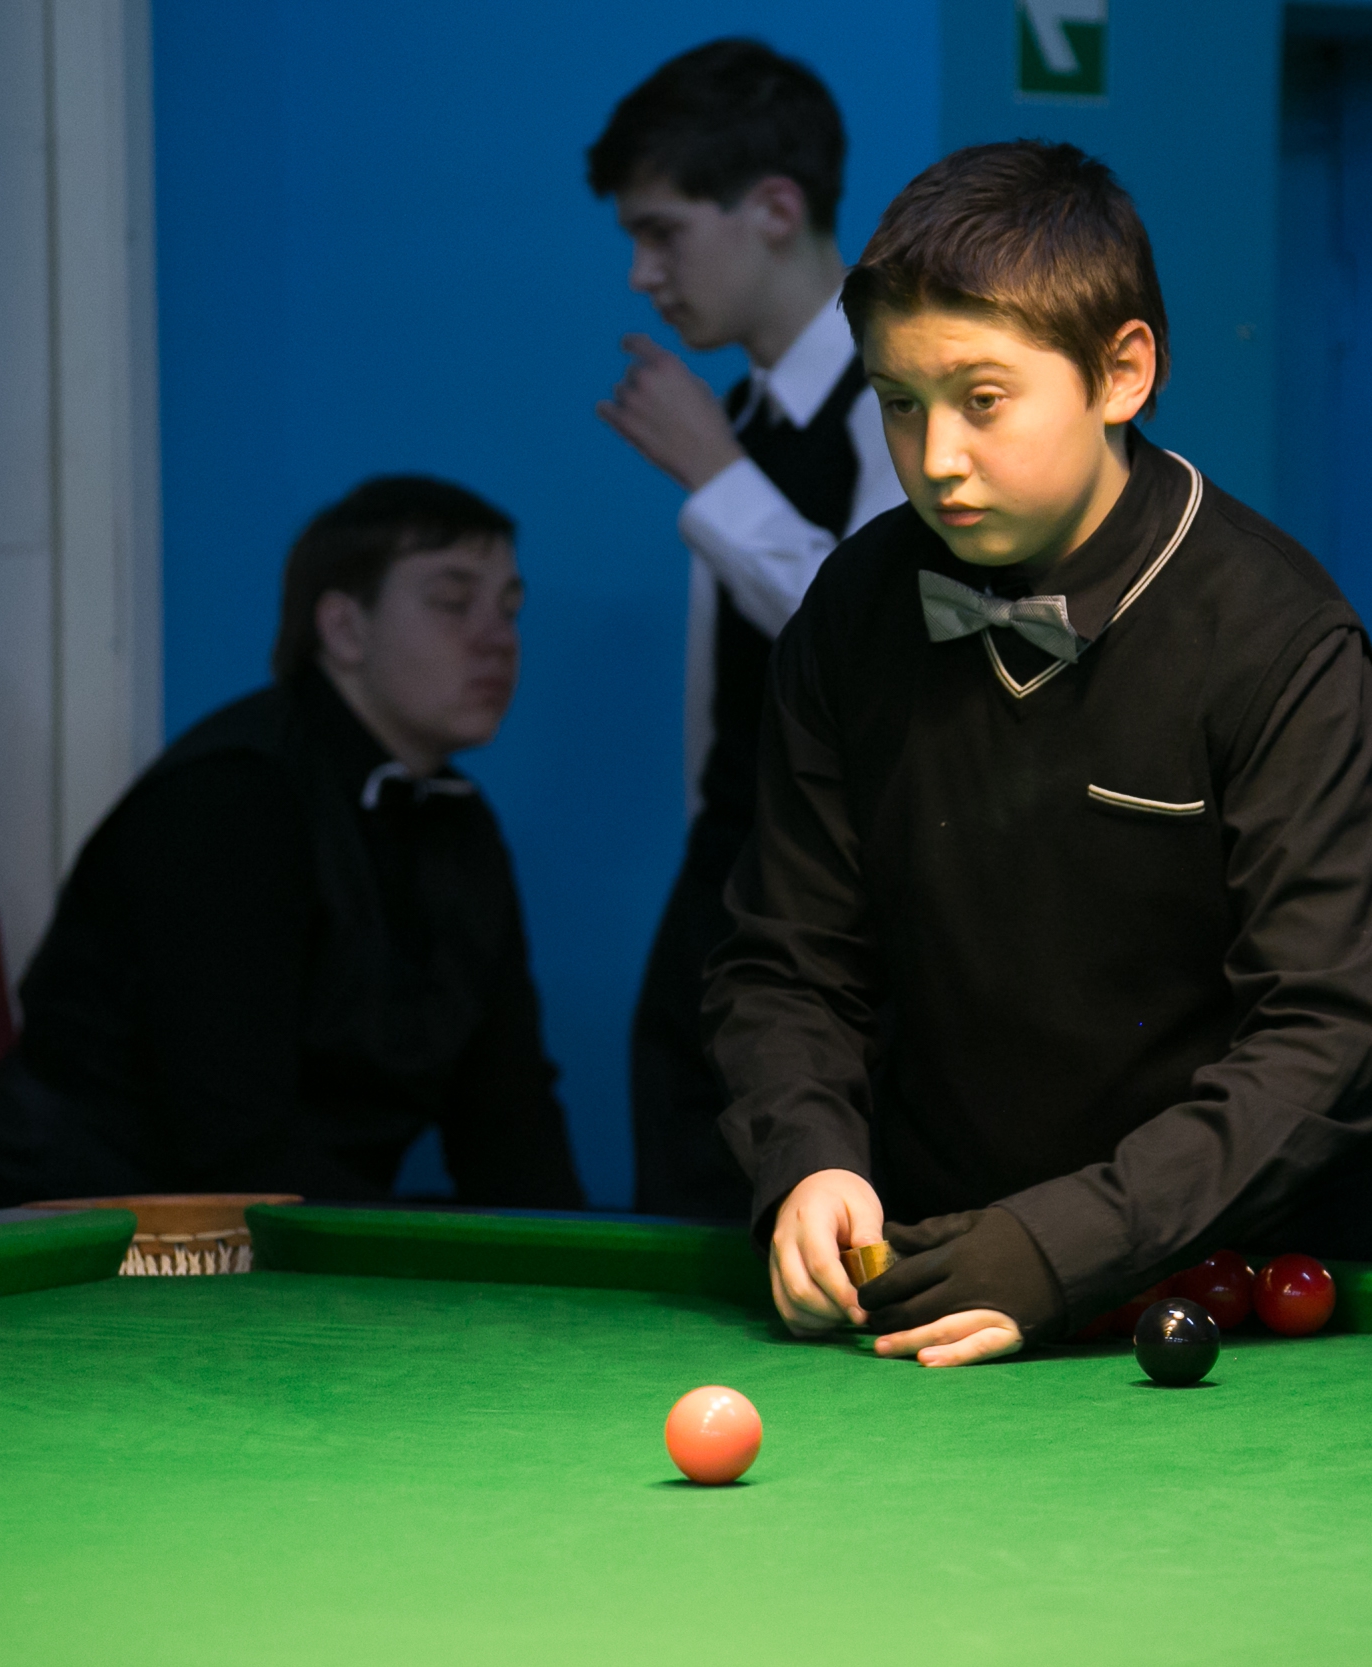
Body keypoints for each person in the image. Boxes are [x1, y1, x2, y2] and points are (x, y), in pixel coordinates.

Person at [704, 142, 1372, 1367]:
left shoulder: (1279, 641)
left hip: (1224, 1302)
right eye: (899, 401)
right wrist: (807, 1157)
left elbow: (1328, 1039)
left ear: (1121, 372)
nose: (934, 456)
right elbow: (786, 960)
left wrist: (1069, 1241)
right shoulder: (855, 609)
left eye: (981, 399)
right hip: (928, 1294)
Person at [0, 476, 585, 1212]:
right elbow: (231, 1142)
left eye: (509, 608)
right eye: (452, 601)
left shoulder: (458, 823)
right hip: (93, 1238)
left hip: (279, 1235)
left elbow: (506, 1113)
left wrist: (572, 1265)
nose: (499, 640)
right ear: (344, 629)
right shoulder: (232, 800)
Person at [586, 39, 906, 1220]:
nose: (640, 275)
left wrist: (715, 476)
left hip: (842, 907)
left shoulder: (899, 391)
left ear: (773, 208)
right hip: (729, 871)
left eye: (661, 232)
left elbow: (881, 645)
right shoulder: (747, 407)